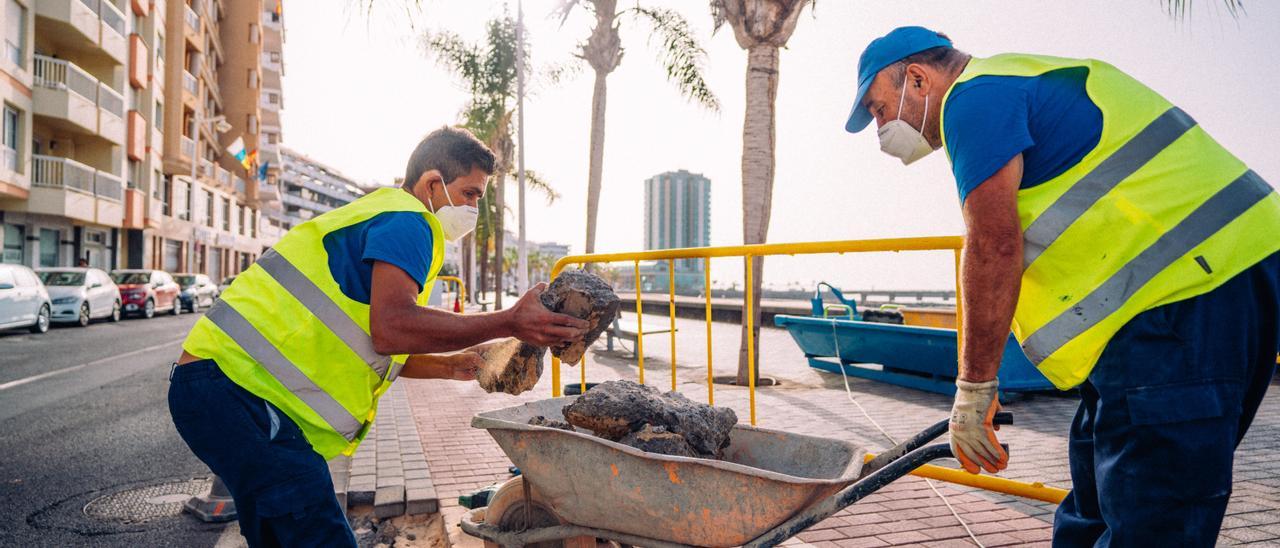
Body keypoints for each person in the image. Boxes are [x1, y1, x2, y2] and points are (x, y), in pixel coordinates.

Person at [844, 27, 1279, 546]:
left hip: (1183, 303)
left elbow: (993, 245)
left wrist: (974, 389)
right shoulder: (1015, 80)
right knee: (1093, 508)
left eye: (877, 108)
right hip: (1178, 303)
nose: (880, 127)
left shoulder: (974, 98)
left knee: (1154, 518)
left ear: (917, 78)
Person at [168, 126, 589, 547]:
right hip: (240, 395)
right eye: (470, 194)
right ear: (431, 184)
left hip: (222, 391)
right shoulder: (411, 221)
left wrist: (449, 364)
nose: (474, 209)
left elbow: (371, 339)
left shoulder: (383, 214)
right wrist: (509, 321)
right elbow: (392, 328)